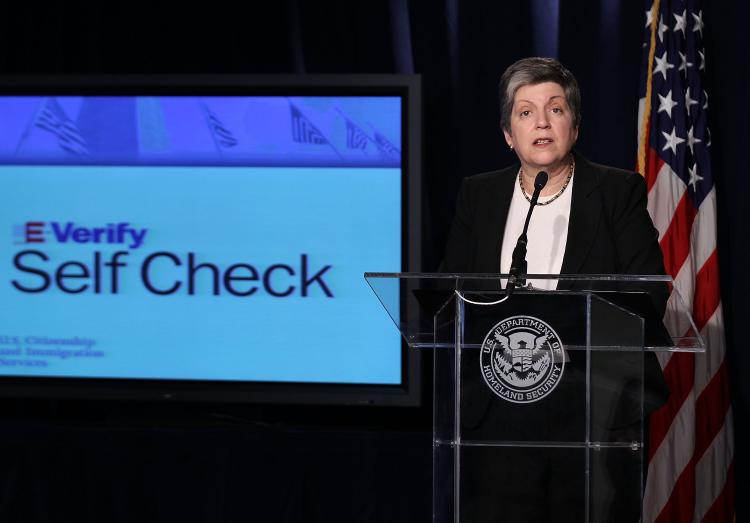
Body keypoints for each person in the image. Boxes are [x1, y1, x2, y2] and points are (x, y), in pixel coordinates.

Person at [441, 57, 669, 522]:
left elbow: (647, 297)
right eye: (525, 112)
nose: (541, 122)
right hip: (498, 412)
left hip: (593, 408)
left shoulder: (616, 192)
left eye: (555, 109)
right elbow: (450, 294)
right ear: (509, 133)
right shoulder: (478, 195)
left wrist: (560, 339)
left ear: (575, 126)